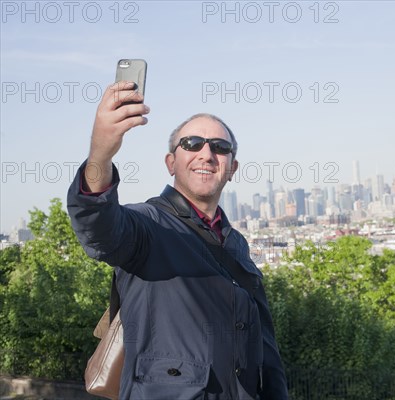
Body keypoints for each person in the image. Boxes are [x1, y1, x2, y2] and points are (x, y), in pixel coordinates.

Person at [67, 81, 289, 399]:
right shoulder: (148, 225)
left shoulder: (236, 244)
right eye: (192, 143)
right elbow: (96, 225)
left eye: (220, 147)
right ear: (171, 163)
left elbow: (266, 350)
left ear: (232, 168)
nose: (207, 154)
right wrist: (101, 152)